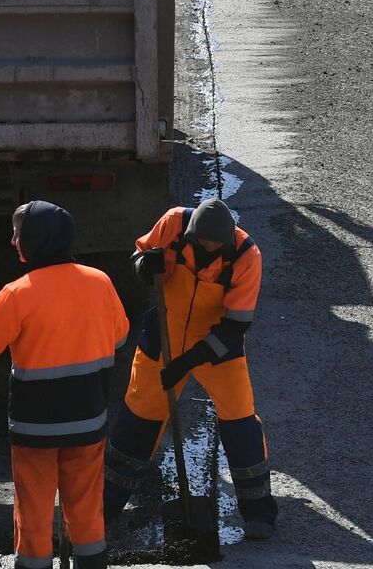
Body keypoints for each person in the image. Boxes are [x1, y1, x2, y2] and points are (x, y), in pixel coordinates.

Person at [0, 201, 128, 569]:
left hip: (34, 429)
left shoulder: (17, 293)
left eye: (18, 233)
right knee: (87, 512)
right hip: (88, 422)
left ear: (36, 241)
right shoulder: (100, 282)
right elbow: (119, 338)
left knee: (35, 515)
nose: (12, 240)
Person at [102, 197, 278, 539]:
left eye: (216, 243)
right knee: (139, 418)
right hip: (163, 336)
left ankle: (259, 512)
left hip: (216, 346)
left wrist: (187, 361)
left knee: (240, 420)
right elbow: (141, 256)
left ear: (228, 238)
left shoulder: (246, 257)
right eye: (203, 241)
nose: (209, 247)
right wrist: (145, 265)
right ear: (192, 232)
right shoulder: (172, 223)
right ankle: (105, 505)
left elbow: (234, 327)